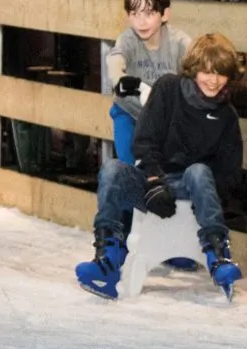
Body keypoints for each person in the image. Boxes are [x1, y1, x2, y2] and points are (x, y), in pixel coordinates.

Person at [76, 33, 243, 300]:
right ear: (193, 69)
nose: (214, 80)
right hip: (155, 181)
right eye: (207, 72)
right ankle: (108, 258)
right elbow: (144, 140)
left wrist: (210, 193)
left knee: (198, 171)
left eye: (221, 74)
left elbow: (230, 172)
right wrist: (153, 180)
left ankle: (218, 256)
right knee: (113, 169)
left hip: (194, 188)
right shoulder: (168, 89)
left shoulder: (226, 116)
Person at [105, 0, 190, 164]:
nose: (141, 22)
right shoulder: (127, 40)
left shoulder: (179, 42)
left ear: (164, 14)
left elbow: (195, 63)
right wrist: (119, 78)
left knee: (166, 167)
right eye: (134, 14)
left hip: (164, 118)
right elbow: (115, 59)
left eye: (149, 14)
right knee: (128, 166)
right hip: (131, 112)